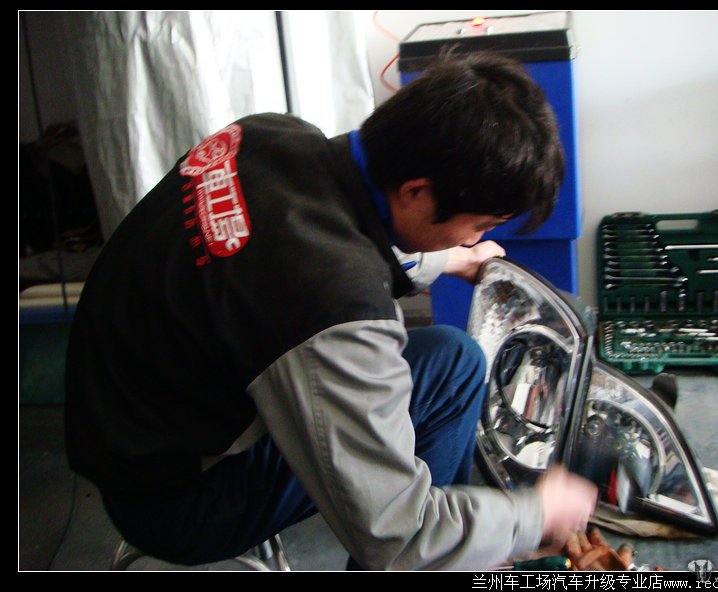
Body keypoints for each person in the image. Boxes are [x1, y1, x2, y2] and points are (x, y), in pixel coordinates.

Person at [65, 51, 597, 570]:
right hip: (178, 502)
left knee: (451, 358)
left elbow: (306, 247)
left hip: (127, 433)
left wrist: (452, 258)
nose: (477, 238)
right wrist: (534, 514)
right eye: (480, 225)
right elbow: (400, 535)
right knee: (418, 514)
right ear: (417, 191)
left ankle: (458, 546)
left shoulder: (270, 135)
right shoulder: (331, 306)